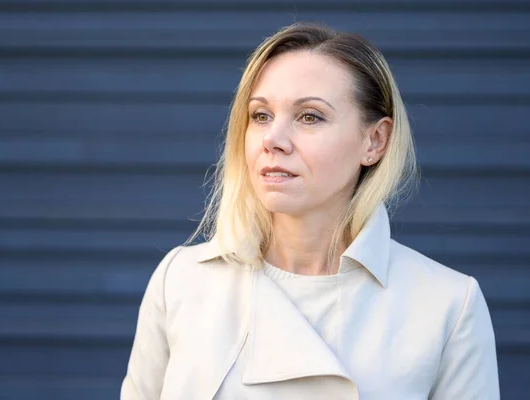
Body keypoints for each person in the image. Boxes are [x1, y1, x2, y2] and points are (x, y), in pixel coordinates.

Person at [121, 22, 500, 399]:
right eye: (261, 115)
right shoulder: (181, 282)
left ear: (375, 140)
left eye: (309, 117)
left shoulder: (446, 306)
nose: (273, 140)